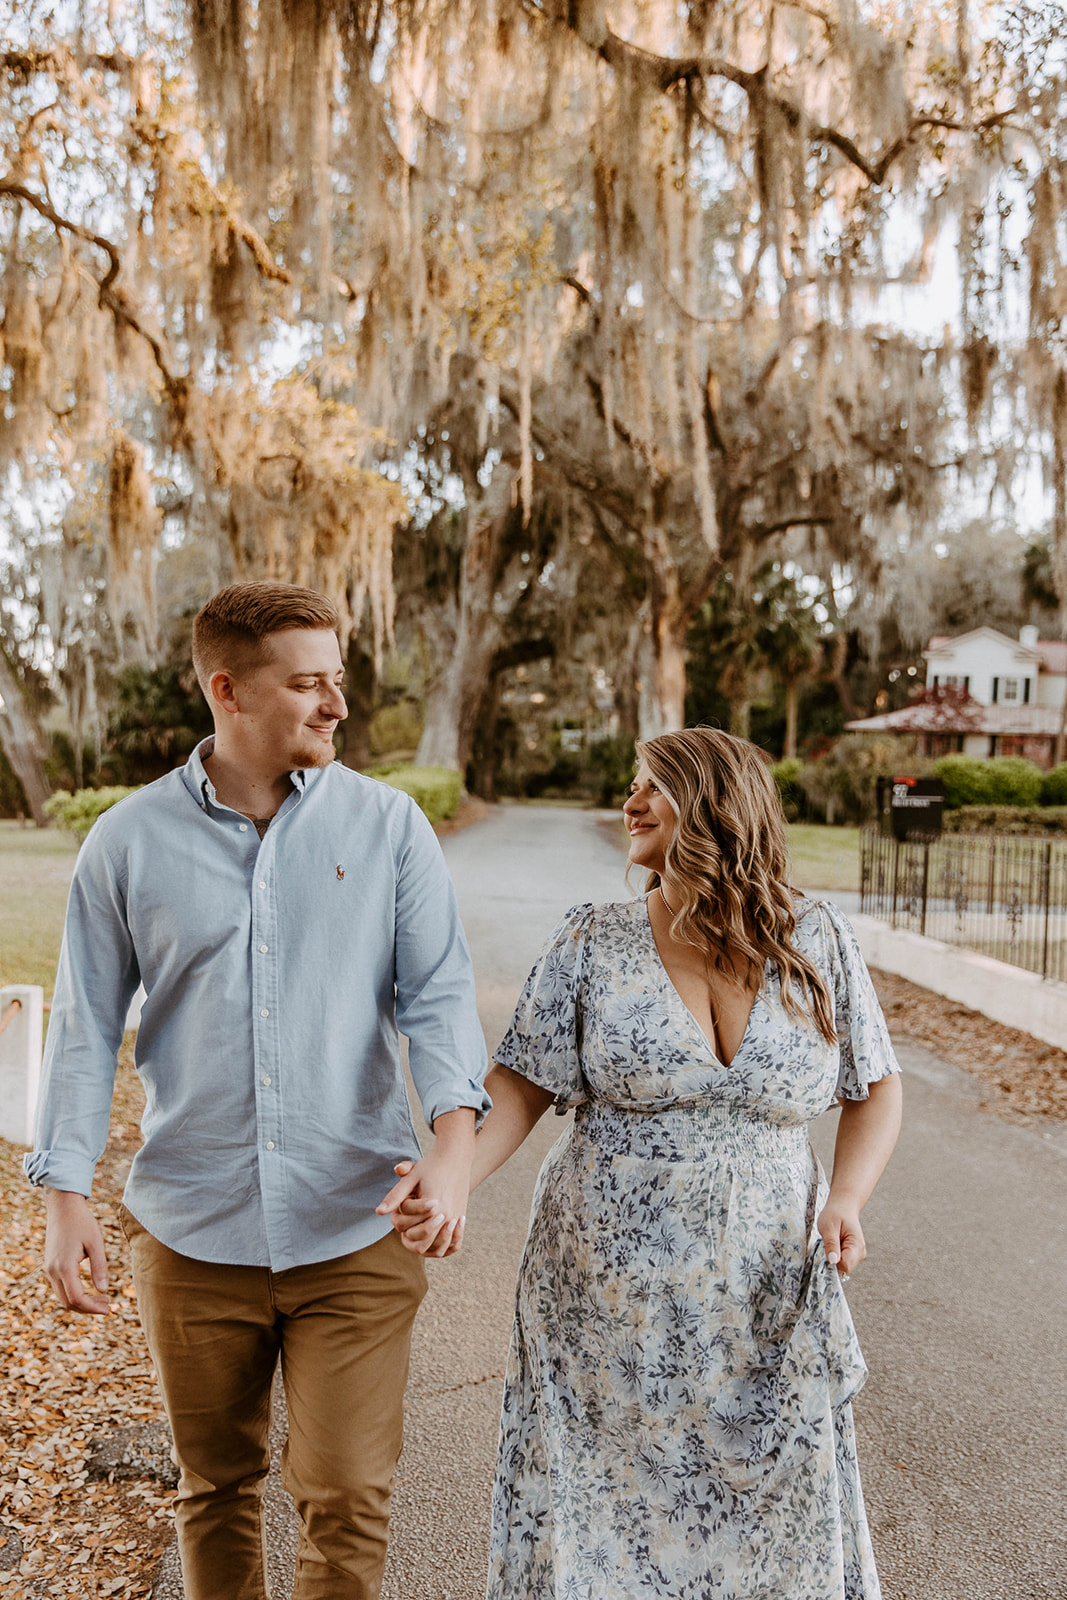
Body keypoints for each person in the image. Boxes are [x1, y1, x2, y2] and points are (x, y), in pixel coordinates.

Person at [27, 581, 489, 1600]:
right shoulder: (128, 843)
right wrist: (63, 1197)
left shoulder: (388, 829)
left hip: (355, 1225)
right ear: (227, 688)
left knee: (347, 1491)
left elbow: (439, 1000)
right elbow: (86, 1029)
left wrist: (452, 1152)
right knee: (216, 1485)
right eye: (309, 684)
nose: (336, 705)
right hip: (193, 1231)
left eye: (337, 681)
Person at [383, 726, 903, 1600]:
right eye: (631, 786)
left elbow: (874, 1085)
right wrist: (451, 1180)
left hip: (767, 1281)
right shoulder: (593, 939)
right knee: (608, 1505)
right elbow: (519, 1086)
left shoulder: (818, 940)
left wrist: (846, 1198)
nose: (629, 803)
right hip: (604, 1290)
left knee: (773, 1499)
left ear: (715, 805)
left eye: (652, 785)